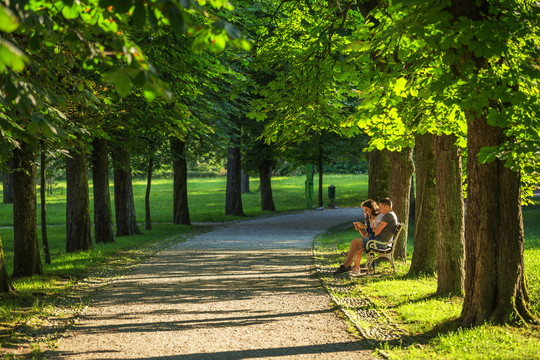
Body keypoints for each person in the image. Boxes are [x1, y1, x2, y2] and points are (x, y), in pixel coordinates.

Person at [334, 198, 399, 276]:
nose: (380, 210)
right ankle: (347, 266)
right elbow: (373, 233)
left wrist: (365, 228)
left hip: (381, 243)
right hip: (379, 241)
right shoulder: (390, 215)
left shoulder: (388, 215)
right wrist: (362, 230)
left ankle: (345, 266)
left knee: (356, 242)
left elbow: (377, 231)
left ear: (386, 207)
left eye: (381, 208)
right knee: (357, 243)